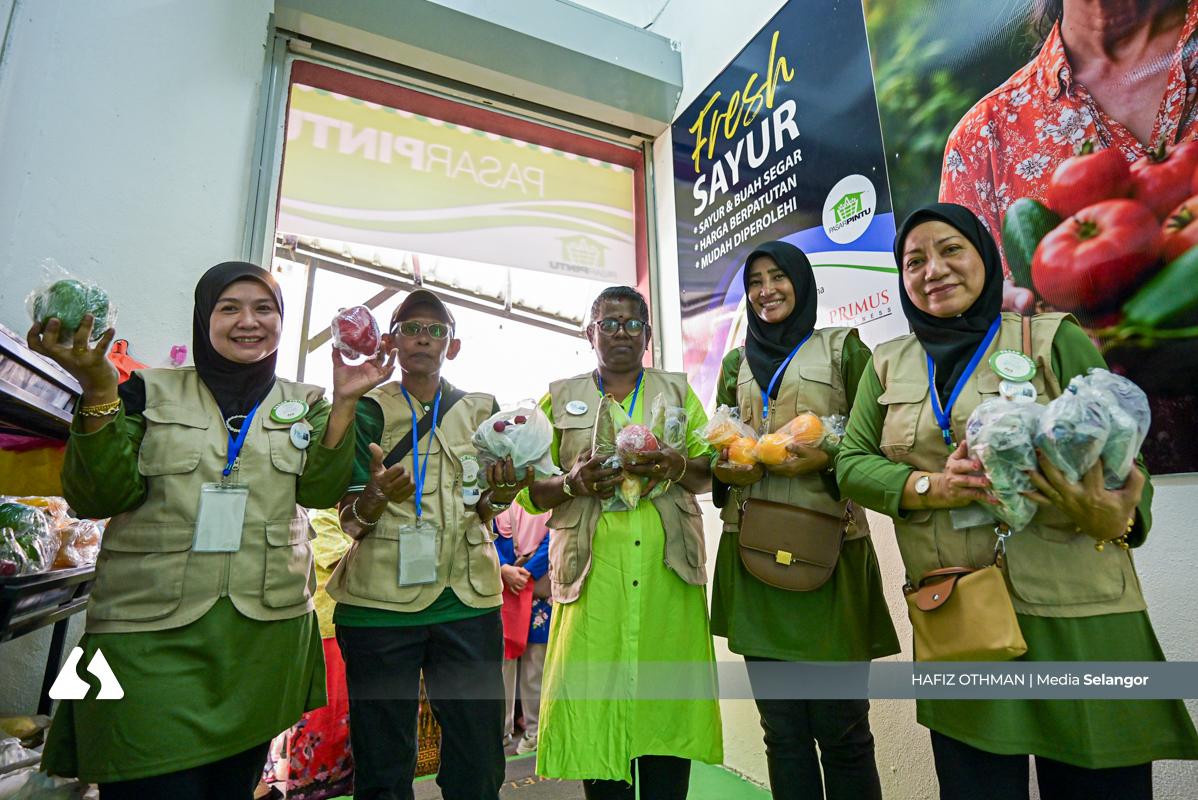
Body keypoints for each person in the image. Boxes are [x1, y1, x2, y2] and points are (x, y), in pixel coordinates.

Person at [836, 203, 1198, 800]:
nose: (934, 270)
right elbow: (851, 463)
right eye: (914, 260)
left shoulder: (1053, 337)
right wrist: (931, 486)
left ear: (985, 255)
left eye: (951, 249)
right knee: (977, 783)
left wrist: (1124, 515)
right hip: (962, 615)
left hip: (1076, 608)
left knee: (1098, 783)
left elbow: (1126, 457)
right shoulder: (887, 364)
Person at [32, 261, 392, 799]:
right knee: (143, 780)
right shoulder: (143, 393)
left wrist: (344, 404)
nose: (249, 321)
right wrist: (98, 383)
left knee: (230, 787)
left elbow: (317, 491)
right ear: (204, 319)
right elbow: (96, 497)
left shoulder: (309, 403)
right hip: (145, 636)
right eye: (230, 308)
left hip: (260, 639)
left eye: (264, 308)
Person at [709, 241, 900, 800]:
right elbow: (716, 452)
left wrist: (832, 459)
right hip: (754, 550)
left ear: (802, 281)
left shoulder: (844, 350)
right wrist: (727, 469)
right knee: (782, 732)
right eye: (756, 281)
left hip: (831, 552)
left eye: (778, 277)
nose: (767, 290)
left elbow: (882, 446)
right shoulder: (734, 364)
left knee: (843, 731)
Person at [520, 286, 723, 800]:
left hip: (666, 577)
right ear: (590, 333)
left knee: (665, 711)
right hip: (593, 582)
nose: (620, 333)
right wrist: (575, 482)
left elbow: (708, 472)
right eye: (608, 323)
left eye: (633, 324)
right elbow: (530, 493)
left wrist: (675, 466)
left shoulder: (676, 393)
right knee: (598, 717)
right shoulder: (559, 397)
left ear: (648, 336)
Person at [327, 289, 526, 800]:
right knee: (383, 761)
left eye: (436, 329)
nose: (423, 337)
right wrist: (372, 497)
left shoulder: (483, 410)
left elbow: (484, 507)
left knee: (479, 758)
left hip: (466, 598)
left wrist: (501, 494)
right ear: (391, 340)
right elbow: (349, 520)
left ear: (452, 346)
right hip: (378, 605)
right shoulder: (365, 407)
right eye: (411, 327)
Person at [260, 508, 356, 800]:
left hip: (344, 627)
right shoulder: (324, 517)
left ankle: (336, 778)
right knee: (323, 711)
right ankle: (309, 780)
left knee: (342, 710)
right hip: (326, 627)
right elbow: (345, 563)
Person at [493, 504, 552, 755]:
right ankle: (500, 729)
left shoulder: (545, 492)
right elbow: (486, 534)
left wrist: (527, 572)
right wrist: (505, 569)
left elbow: (556, 534)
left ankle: (535, 729)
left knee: (536, 662)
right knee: (502, 660)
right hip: (503, 586)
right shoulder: (499, 495)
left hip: (537, 586)